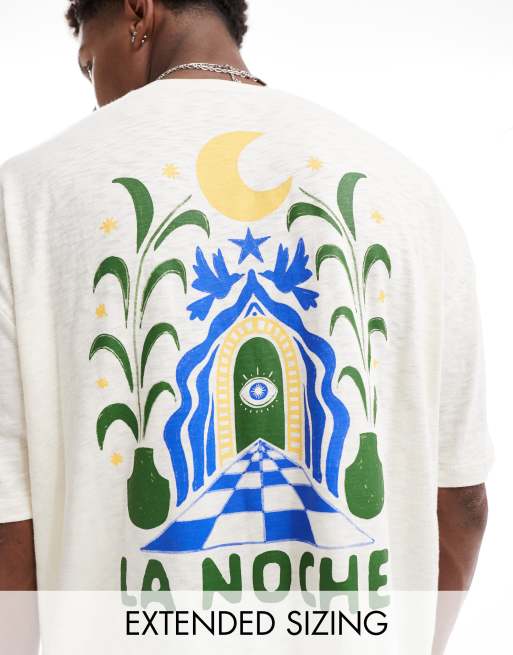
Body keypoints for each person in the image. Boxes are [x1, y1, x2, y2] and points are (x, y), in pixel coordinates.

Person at [0, 0, 494, 652]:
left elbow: (10, 532)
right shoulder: (411, 196)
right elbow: (461, 506)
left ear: (138, 12)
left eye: (90, 63)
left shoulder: (23, 200)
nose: (95, 94)